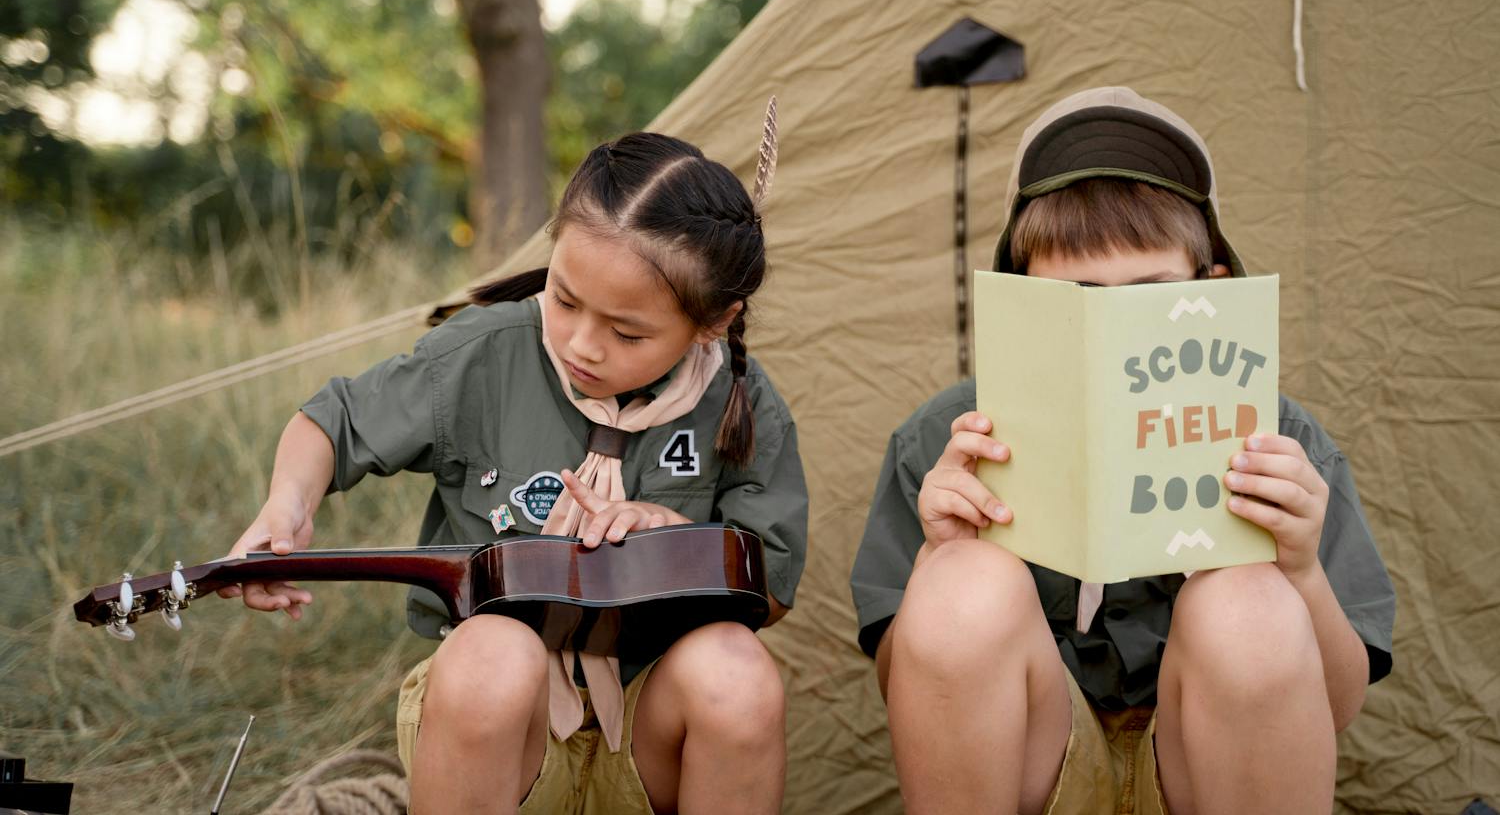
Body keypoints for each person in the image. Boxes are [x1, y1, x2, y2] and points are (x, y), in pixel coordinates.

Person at [222, 130, 808, 815]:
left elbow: (770, 592)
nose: (582, 343)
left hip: (650, 745)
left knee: (737, 673)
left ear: (713, 322)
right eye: (564, 300)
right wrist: (286, 506)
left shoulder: (742, 398)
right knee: (495, 651)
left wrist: (676, 544)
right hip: (503, 733)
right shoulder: (487, 351)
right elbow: (334, 423)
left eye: (627, 333)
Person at [850, 87, 1395, 815]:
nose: (1110, 323)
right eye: (1078, 294)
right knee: (960, 583)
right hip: (1036, 769)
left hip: (1208, 775)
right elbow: (907, 690)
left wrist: (1297, 569)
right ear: (1022, 297)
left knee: (1250, 601)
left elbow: (1338, 705)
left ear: (1211, 289)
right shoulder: (948, 439)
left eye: (1148, 294)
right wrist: (938, 555)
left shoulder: (1283, 445)